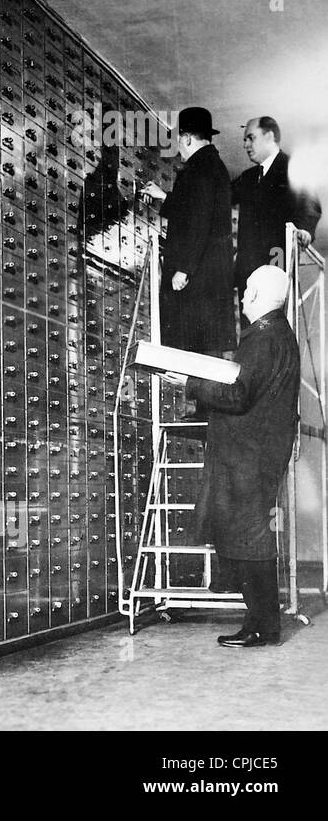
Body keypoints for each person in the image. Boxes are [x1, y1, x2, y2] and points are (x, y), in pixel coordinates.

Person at [172, 265, 300, 647]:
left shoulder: (262, 339)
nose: (242, 297)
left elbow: (238, 395)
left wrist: (189, 383)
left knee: (251, 541)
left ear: (259, 296)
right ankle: (258, 623)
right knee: (246, 538)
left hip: (247, 457)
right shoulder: (278, 335)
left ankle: (264, 628)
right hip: (255, 455)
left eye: (247, 291)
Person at [142, 106, 236, 355]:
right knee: (204, 353)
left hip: (197, 277)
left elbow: (199, 220)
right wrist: (164, 196)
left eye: (178, 141)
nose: (178, 148)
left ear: (187, 138)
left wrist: (184, 268)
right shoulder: (212, 165)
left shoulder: (199, 167)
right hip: (209, 278)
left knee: (194, 350)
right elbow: (196, 209)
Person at [232, 117, 321, 315]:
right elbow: (219, 200)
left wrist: (304, 229)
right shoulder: (247, 177)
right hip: (248, 268)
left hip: (276, 258)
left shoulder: (293, 167)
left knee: (273, 321)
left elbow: (310, 203)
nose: (245, 145)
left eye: (250, 138)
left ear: (269, 136)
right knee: (252, 329)